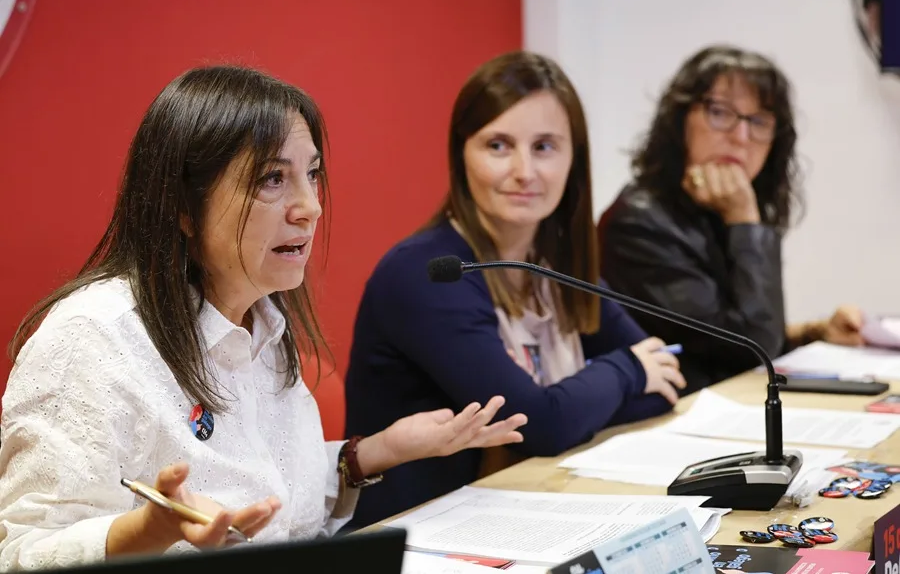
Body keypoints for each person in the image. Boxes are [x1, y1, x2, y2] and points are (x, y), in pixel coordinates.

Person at [0, 65, 528, 570]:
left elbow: (276, 509)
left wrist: (374, 453)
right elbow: (23, 551)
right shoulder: (90, 340)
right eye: (273, 179)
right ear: (183, 206)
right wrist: (149, 530)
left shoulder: (264, 323)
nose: (310, 208)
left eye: (313, 174)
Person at [342, 50, 687, 529]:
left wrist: (582, 401)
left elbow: (665, 380)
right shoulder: (426, 273)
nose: (525, 171)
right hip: (419, 535)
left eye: (545, 147)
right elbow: (534, 425)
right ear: (462, 155)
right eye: (499, 145)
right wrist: (626, 370)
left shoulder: (553, 268)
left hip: (527, 512)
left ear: (574, 160)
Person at [597, 45, 863, 393]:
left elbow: (737, 333)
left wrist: (815, 332)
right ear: (680, 122)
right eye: (721, 113)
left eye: (758, 121)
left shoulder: (720, 209)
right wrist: (746, 221)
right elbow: (749, 348)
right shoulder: (638, 221)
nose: (741, 137)